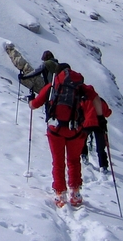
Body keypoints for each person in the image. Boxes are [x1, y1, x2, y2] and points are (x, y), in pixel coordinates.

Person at [29, 63, 102, 208]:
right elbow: (98, 103)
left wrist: (30, 100)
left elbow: (35, 104)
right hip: (75, 130)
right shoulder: (81, 87)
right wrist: (100, 120)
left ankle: (60, 194)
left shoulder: (52, 86)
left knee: (58, 161)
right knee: (74, 161)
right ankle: (75, 193)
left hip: (55, 129)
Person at [81, 95, 112, 172]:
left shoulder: (83, 100)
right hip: (99, 124)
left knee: (82, 142)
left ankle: (84, 156)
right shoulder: (100, 100)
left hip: (86, 124)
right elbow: (107, 113)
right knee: (101, 146)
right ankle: (103, 165)